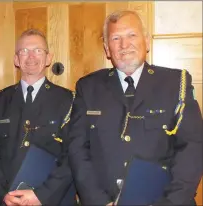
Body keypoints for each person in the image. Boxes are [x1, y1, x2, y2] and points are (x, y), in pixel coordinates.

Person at [67, 10, 202, 205]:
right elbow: (77, 149)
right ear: (106, 49)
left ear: (146, 41)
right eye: (115, 38)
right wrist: (97, 201)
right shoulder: (88, 87)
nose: (124, 45)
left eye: (132, 35)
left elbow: (192, 148)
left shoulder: (175, 83)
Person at [0, 29, 76, 206]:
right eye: (24, 51)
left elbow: (72, 156)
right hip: (9, 199)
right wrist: (3, 194)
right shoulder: (0, 100)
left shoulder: (68, 100)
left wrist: (42, 195)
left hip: (53, 199)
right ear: (16, 60)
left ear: (49, 58)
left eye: (38, 50)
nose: (31, 56)